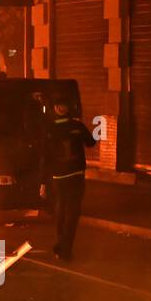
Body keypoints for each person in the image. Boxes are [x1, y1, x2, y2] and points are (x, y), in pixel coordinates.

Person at [42, 98, 95, 262]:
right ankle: (64, 248)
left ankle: (61, 245)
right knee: (71, 213)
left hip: (59, 176)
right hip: (75, 175)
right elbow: (91, 142)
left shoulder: (49, 127)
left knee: (62, 210)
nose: (62, 107)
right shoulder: (76, 126)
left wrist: (43, 181)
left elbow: (44, 156)